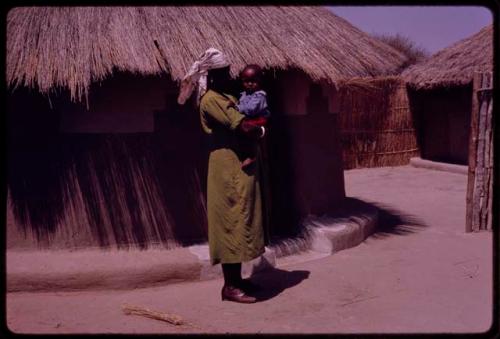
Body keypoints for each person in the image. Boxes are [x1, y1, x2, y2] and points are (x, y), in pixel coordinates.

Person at [177, 48, 265, 303]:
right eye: (225, 73)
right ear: (213, 76)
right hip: (226, 169)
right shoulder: (212, 100)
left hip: (238, 166)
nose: (231, 75)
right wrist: (260, 131)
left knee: (241, 220)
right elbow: (243, 125)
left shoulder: (227, 94)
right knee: (229, 222)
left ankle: (238, 280)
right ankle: (229, 287)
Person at [230, 64, 270, 169]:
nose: (250, 84)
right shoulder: (244, 94)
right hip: (249, 119)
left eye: (253, 81)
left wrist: (237, 108)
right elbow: (242, 104)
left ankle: (252, 156)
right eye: (246, 81)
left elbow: (251, 109)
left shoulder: (260, 95)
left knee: (247, 130)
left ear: (260, 80)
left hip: (258, 120)